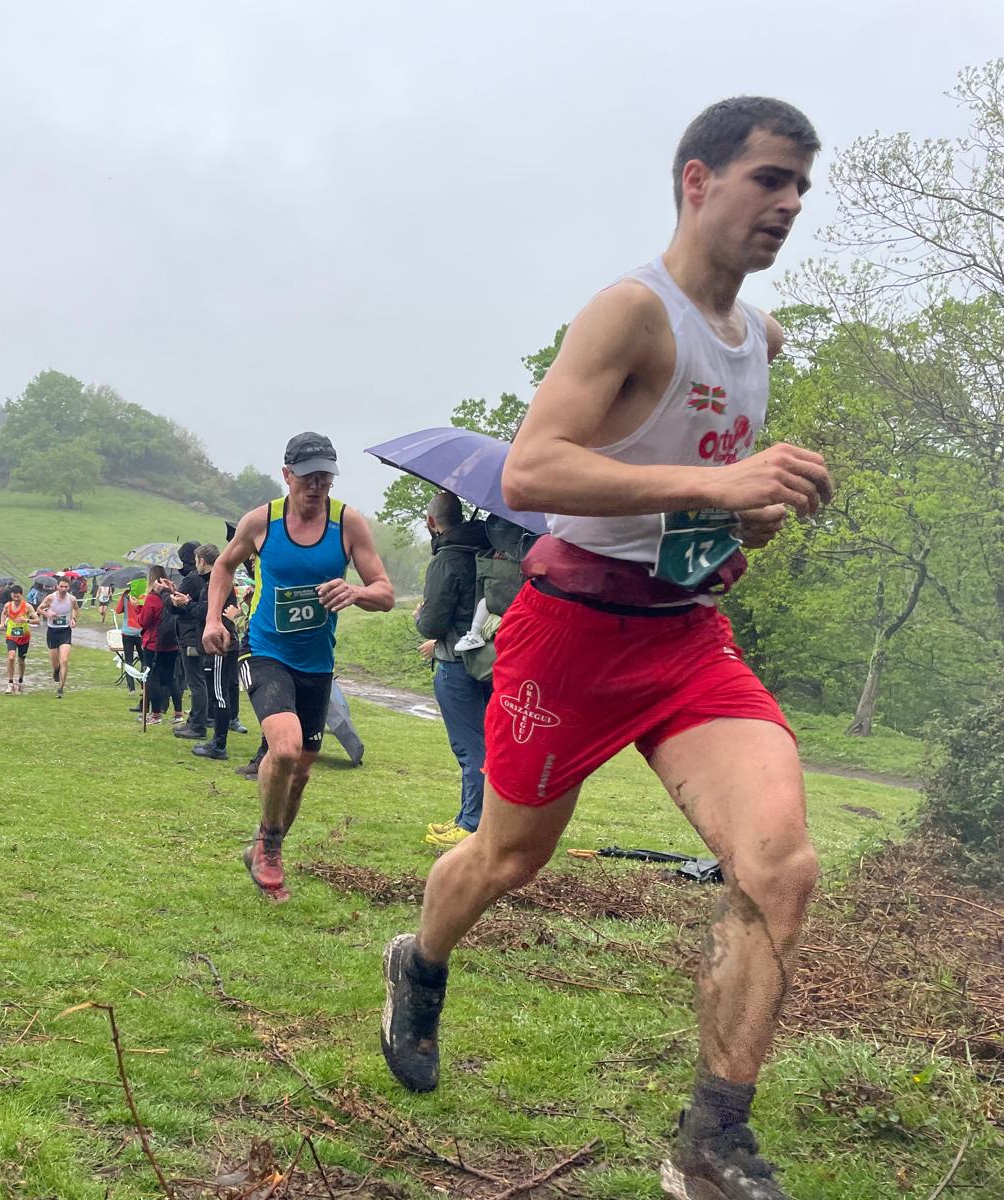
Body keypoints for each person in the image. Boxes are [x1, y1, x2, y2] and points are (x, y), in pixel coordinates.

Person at [380, 99, 830, 1200]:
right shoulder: (631, 314)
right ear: (696, 180)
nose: (787, 205)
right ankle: (419, 961)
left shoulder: (759, 338)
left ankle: (711, 1143)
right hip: (569, 637)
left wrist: (746, 514)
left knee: (779, 868)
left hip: (685, 642)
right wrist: (719, 483)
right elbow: (533, 472)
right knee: (507, 857)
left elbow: (697, 498)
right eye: (768, 179)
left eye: (800, 189)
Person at [204, 432, 394, 902]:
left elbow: (385, 593)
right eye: (307, 476)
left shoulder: (348, 524)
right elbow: (224, 566)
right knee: (284, 750)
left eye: (324, 475)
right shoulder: (261, 521)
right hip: (265, 650)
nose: (316, 485)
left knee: (302, 771)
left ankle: (264, 848)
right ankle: (268, 844)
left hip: (316, 662)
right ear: (287, 474)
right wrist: (213, 618)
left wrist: (356, 593)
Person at [412, 493, 491, 846]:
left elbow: (432, 624)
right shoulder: (487, 552)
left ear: (432, 522)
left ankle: (472, 823)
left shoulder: (448, 560)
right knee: (484, 741)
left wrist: (421, 617)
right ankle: (466, 815)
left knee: (470, 746)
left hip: (454, 665)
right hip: (488, 660)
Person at [192, 546, 241, 762]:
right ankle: (217, 741)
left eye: (196, 560)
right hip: (221, 642)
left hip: (221, 644)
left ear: (202, 561)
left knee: (220, 694)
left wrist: (187, 605)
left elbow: (210, 611)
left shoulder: (219, 582)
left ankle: (219, 745)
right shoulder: (213, 583)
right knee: (220, 692)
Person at [170, 542, 212, 739]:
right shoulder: (212, 578)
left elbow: (175, 606)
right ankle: (198, 721)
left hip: (190, 634)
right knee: (200, 680)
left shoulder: (192, 578)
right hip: (201, 634)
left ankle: (197, 725)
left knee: (195, 681)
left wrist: (168, 595)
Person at [137, 566, 179, 725]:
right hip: (172, 643)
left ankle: (155, 714)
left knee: (152, 678)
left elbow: (144, 621)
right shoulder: (172, 595)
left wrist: (138, 608)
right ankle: (178, 712)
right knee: (170, 677)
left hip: (154, 642)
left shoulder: (153, 598)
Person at [38, 576, 77, 700]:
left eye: (66, 587)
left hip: (65, 631)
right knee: (56, 664)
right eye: (61, 586)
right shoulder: (50, 598)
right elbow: (39, 609)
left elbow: (76, 609)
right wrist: (47, 614)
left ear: (68, 587)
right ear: (57, 586)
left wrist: (73, 619)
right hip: (52, 632)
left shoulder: (72, 599)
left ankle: (61, 688)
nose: (64, 589)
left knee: (64, 660)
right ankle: (56, 671)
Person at [114, 581, 146, 708]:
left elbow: (118, 610)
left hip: (127, 631)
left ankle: (131, 688)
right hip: (141, 631)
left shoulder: (126, 595)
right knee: (144, 660)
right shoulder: (144, 596)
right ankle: (144, 686)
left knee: (128, 660)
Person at [0, 585, 34, 693]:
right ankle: (10, 683)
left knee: (21, 661)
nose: (16, 599)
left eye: (18, 597)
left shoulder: (27, 607)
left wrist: (26, 620)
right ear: (11, 595)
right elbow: (4, 613)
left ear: (21, 595)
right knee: (11, 657)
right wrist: (2, 623)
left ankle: (20, 681)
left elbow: (37, 620)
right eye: (14, 597)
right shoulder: (7, 605)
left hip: (24, 637)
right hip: (11, 636)